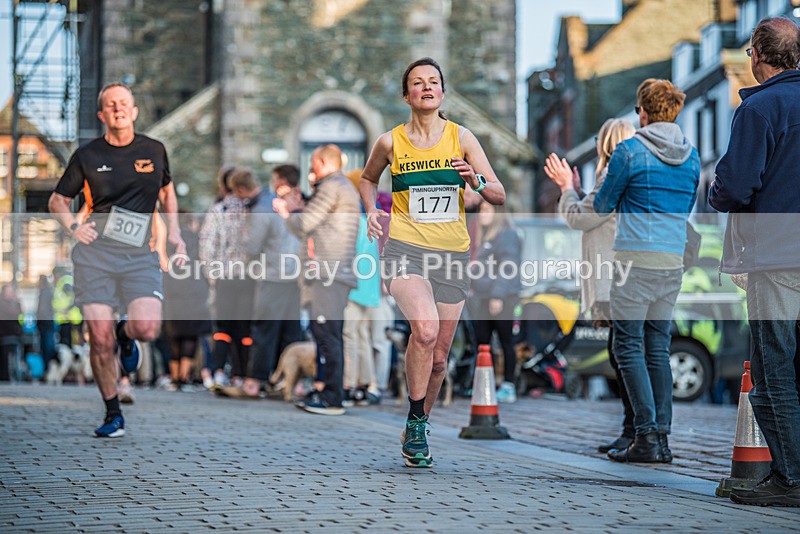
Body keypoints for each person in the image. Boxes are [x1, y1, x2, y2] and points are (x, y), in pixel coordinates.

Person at [358, 57, 506, 467]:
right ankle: (417, 423)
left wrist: (474, 179)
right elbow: (368, 179)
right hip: (405, 248)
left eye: (434, 82)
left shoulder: (462, 138)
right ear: (406, 95)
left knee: (439, 357)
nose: (426, 87)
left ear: (442, 92)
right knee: (423, 330)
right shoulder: (390, 142)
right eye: (417, 83)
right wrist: (371, 209)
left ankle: (418, 421)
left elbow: (499, 193)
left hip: (453, 255)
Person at [48, 82, 186, 438]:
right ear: (102, 115)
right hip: (95, 255)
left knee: (147, 328)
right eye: (110, 105)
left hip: (140, 254)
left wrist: (173, 233)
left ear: (134, 111)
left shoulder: (154, 150)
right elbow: (58, 201)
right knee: (99, 337)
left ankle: (128, 337)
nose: (118, 109)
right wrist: (74, 227)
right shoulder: (88, 155)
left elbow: (167, 192)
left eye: (123, 103)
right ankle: (113, 413)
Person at [708, 17, 800, 507]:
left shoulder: (761, 108)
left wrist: (716, 188)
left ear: (756, 54)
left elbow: (735, 187)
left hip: (779, 257)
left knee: (774, 372)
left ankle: (790, 479)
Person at [594, 79, 699, 463]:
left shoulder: (629, 151)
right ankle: (663, 440)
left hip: (634, 262)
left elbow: (603, 205)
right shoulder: (691, 157)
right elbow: (687, 207)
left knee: (628, 344)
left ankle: (645, 436)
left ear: (643, 111)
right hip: (671, 262)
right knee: (658, 347)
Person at [544, 118, 637, 453]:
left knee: (624, 354)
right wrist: (581, 193)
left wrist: (567, 188)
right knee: (625, 353)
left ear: (605, 144)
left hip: (615, 278)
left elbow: (580, 218)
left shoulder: (612, 171)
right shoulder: (626, 173)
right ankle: (635, 430)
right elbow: (596, 212)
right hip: (627, 274)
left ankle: (636, 431)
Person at [274, 144, 360, 415]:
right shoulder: (338, 186)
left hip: (328, 273)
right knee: (325, 334)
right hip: (329, 273)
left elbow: (305, 224)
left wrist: (288, 212)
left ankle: (332, 397)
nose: (310, 170)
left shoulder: (332, 186)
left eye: (312, 163)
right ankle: (325, 390)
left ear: (322, 161)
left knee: (327, 335)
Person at [221, 166, 303, 399]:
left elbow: (252, 246)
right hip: (296, 275)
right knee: (291, 331)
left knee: (264, 329)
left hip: (273, 275)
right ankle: (292, 383)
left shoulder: (264, 207)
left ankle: (253, 382)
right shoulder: (295, 204)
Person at [199, 166, 253, 389]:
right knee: (245, 329)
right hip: (250, 276)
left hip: (225, 277)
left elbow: (207, 244)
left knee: (222, 328)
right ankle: (242, 374)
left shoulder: (218, 210)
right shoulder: (254, 210)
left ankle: (219, 371)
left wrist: (211, 274)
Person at [469, 201, 521, 403]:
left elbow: (508, 266)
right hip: (482, 297)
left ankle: (508, 385)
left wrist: (498, 295)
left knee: (506, 341)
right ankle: (483, 384)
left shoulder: (507, 234)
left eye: (486, 210)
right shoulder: (486, 236)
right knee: (483, 343)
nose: (482, 215)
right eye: (481, 210)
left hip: (502, 298)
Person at [163, 211, 211, 392]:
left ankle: (175, 377)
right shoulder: (198, 240)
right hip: (195, 292)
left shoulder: (168, 240)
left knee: (174, 335)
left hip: (173, 291)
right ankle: (184, 377)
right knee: (191, 336)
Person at [36, 275, 56, 365]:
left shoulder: (44, 292)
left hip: (45, 323)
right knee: (47, 345)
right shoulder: (46, 291)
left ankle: (48, 367)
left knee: (47, 346)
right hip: (47, 322)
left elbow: (42, 310)